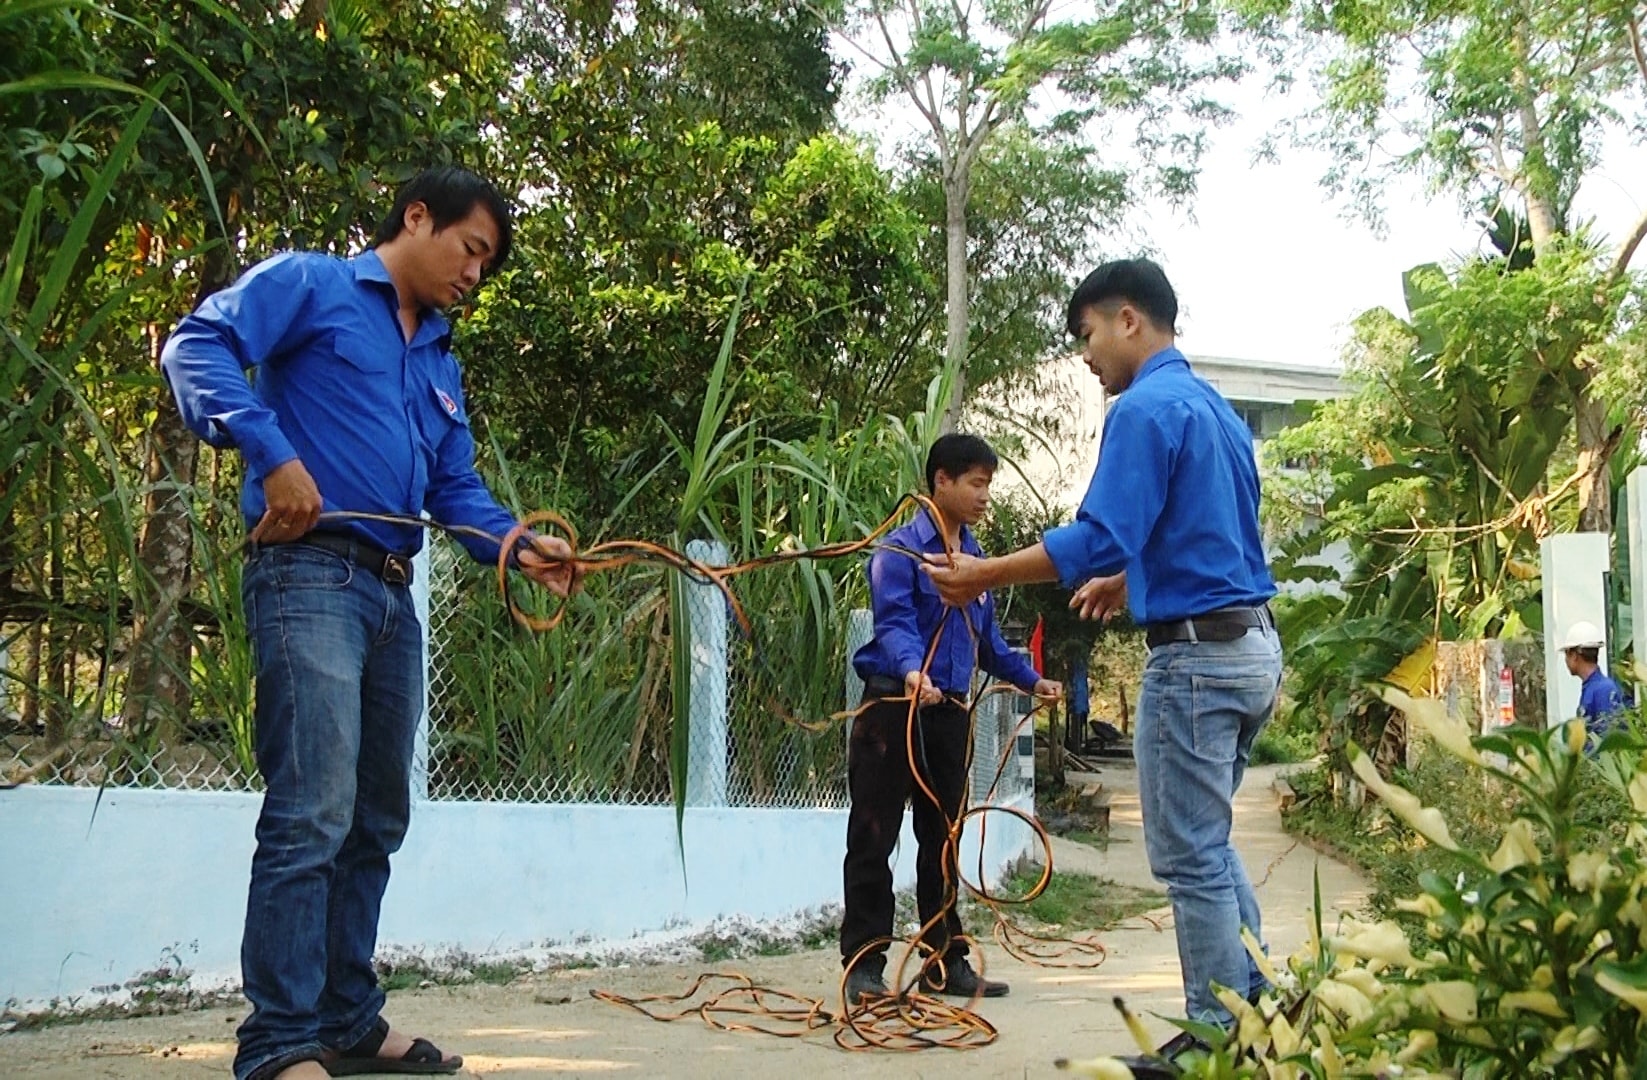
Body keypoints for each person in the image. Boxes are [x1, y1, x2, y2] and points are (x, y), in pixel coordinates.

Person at [161, 166, 578, 1080]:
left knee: (376, 816)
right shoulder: (309, 284)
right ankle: (276, 1043)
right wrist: (269, 454)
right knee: (311, 810)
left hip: (393, 594)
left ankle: (346, 1021)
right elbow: (193, 344)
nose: (475, 274)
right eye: (471, 251)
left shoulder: (437, 356)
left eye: (487, 265)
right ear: (417, 217)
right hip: (307, 574)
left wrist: (516, 545)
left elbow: (455, 490)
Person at [925, 259, 1281, 1065]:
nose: (1085, 357)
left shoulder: (1143, 408)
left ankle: (1212, 1038)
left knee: (1188, 854)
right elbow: (1211, 528)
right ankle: (1257, 1007)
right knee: (1209, 841)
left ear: (1127, 320)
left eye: (1086, 335)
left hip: (1195, 663)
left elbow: (1093, 537)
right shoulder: (1214, 410)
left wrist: (980, 574)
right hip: (1251, 645)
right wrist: (1131, 579)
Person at [841, 434, 1061, 1003]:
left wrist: (1031, 678)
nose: (986, 496)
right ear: (942, 480)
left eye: (989, 484)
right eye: (977, 484)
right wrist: (914, 671)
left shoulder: (977, 563)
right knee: (873, 835)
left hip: (950, 716)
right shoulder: (898, 552)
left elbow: (988, 645)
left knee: (942, 840)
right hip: (895, 706)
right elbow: (893, 626)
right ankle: (864, 966)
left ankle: (943, 962)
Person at [1561, 621, 1626, 750]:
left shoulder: (1603, 689)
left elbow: (1607, 739)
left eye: (1566, 654)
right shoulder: (1593, 687)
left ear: (1574, 655)